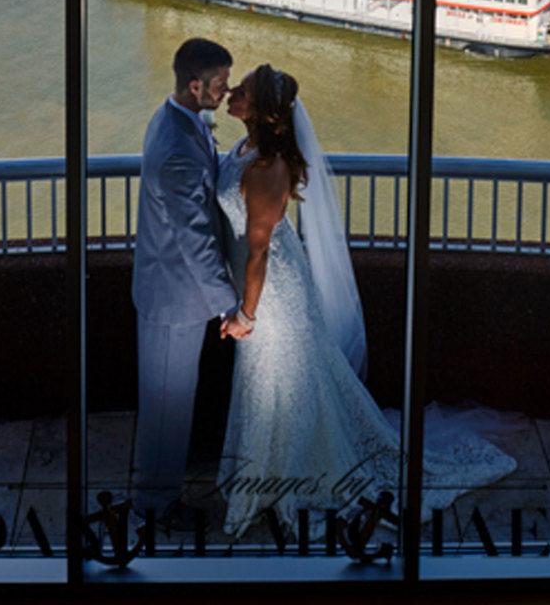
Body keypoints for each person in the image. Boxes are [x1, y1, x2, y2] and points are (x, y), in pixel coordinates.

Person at [214, 63, 521, 540]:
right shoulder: (247, 148)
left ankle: (289, 480)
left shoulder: (266, 168)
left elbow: (258, 251)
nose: (233, 92)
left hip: (274, 292)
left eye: (244, 90)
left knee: (283, 383)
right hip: (267, 282)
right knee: (275, 384)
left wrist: (245, 316)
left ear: (261, 112)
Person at [130, 36, 250, 520]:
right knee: (166, 405)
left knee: (173, 400)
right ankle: (155, 504)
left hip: (171, 291)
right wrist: (229, 306)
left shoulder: (180, 120)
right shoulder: (176, 150)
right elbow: (194, 239)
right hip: (173, 299)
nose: (225, 93)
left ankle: (167, 481)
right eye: (220, 85)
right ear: (196, 84)